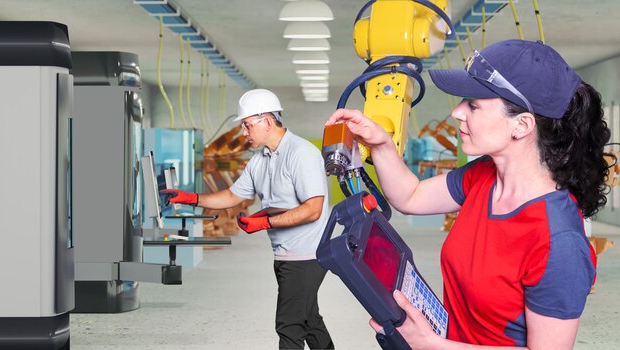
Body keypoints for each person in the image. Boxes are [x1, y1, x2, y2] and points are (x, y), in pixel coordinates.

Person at [326, 39, 609, 349]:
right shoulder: (484, 177)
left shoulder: (558, 242)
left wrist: (431, 345)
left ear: (522, 125)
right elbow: (412, 196)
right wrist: (381, 143)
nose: (457, 112)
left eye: (473, 104)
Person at [163, 88, 334, 350]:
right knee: (308, 319)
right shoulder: (259, 161)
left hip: (307, 256)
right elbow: (232, 195)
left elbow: (313, 209)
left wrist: (265, 222)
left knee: (288, 325)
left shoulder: (301, 153)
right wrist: (191, 198)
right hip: (285, 255)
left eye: (247, 125)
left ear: (266, 121)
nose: (244, 133)